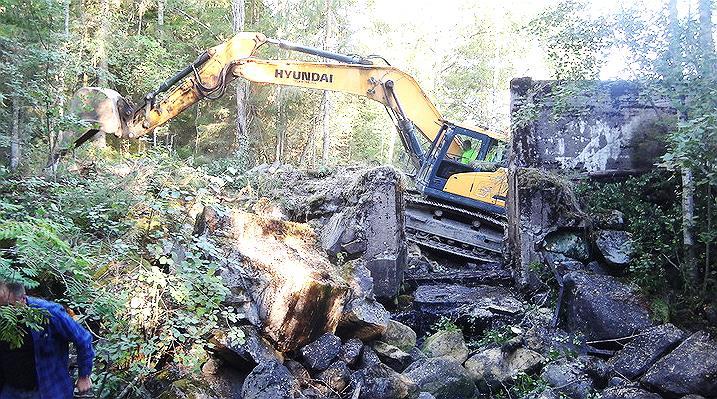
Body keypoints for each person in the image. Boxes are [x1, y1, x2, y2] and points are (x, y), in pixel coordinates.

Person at [0, 281, 94, 399]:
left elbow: (82, 339)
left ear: (22, 299)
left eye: (7, 306)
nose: (3, 312)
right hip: (11, 390)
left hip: (48, 389)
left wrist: (84, 376)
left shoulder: (49, 313)